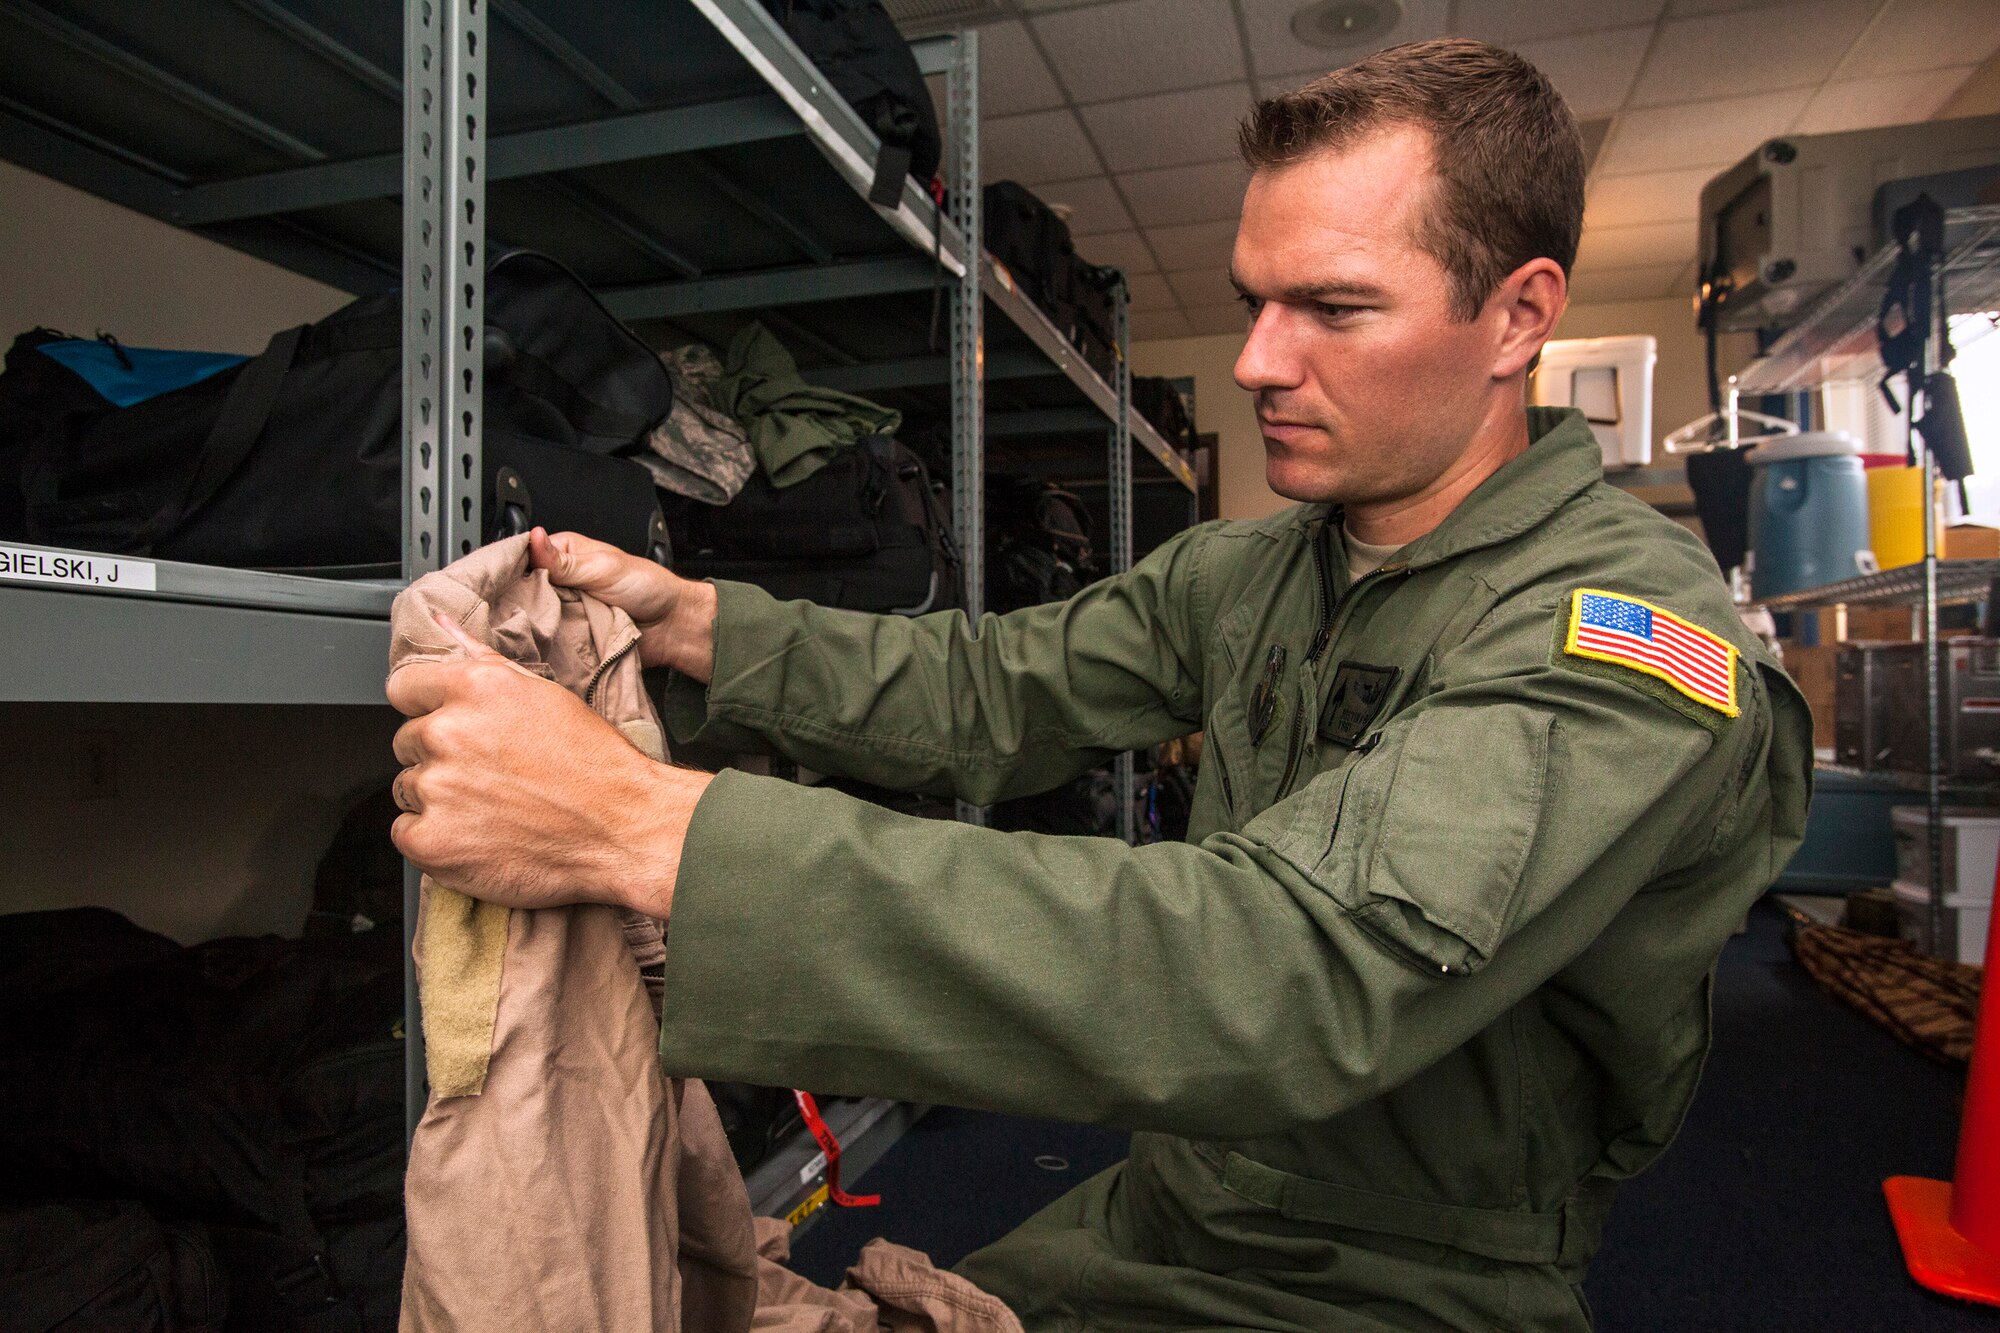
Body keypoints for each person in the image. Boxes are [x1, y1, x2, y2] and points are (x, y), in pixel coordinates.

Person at [387, 38, 1812, 1332]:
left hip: (1408, 1269)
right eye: (1255, 300)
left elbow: (1278, 965)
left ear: (1518, 317)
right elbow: (992, 686)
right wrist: (709, 624)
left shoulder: (1626, 637)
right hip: (1172, 1199)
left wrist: (650, 835)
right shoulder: (1253, 571)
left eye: (1332, 307)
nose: (1258, 360)